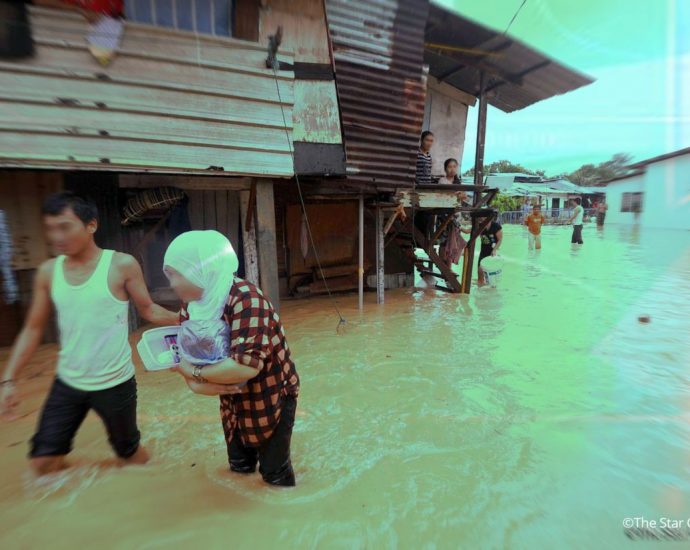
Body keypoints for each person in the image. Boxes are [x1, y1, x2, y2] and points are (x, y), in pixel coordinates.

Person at [0, 192, 178, 477]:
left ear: (91, 225)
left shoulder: (121, 265)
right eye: (50, 228)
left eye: (64, 226)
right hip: (68, 383)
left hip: (115, 383)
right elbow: (33, 329)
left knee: (130, 457)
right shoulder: (48, 272)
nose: (56, 236)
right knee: (42, 463)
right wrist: (9, 380)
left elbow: (150, 310)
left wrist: (192, 319)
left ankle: (159, 482)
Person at [164, 230, 300, 487]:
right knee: (239, 467)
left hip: (271, 393)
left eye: (177, 274)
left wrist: (192, 374)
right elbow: (190, 357)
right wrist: (192, 379)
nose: (172, 284)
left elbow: (244, 367)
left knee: (275, 475)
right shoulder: (191, 306)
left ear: (200, 270)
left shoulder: (247, 299)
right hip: (230, 395)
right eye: (169, 275)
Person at [478, 211, 503, 285]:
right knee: (480, 270)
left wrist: (494, 250)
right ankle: (481, 286)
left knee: (491, 272)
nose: (483, 218)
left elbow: (500, 240)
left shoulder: (496, 226)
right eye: (482, 217)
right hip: (483, 250)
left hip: (492, 251)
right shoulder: (480, 225)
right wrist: (459, 227)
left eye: (485, 216)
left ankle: (492, 288)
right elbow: (469, 231)